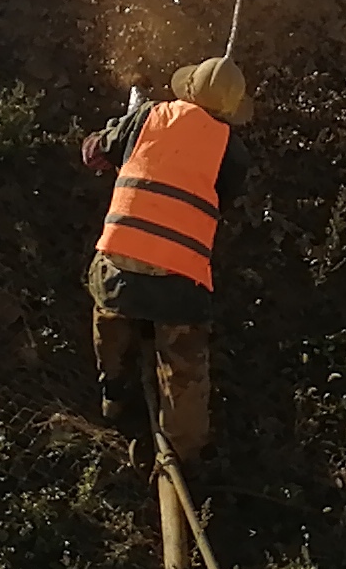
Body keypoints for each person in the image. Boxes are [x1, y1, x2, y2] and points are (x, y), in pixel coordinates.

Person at [80, 56, 252, 463]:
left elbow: (92, 152)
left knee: (109, 312)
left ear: (188, 88)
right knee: (184, 364)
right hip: (181, 281)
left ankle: (114, 395)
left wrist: (111, 148)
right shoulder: (234, 152)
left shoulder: (146, 116)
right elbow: (219, 203)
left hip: (120, 268)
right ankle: (184, 454)